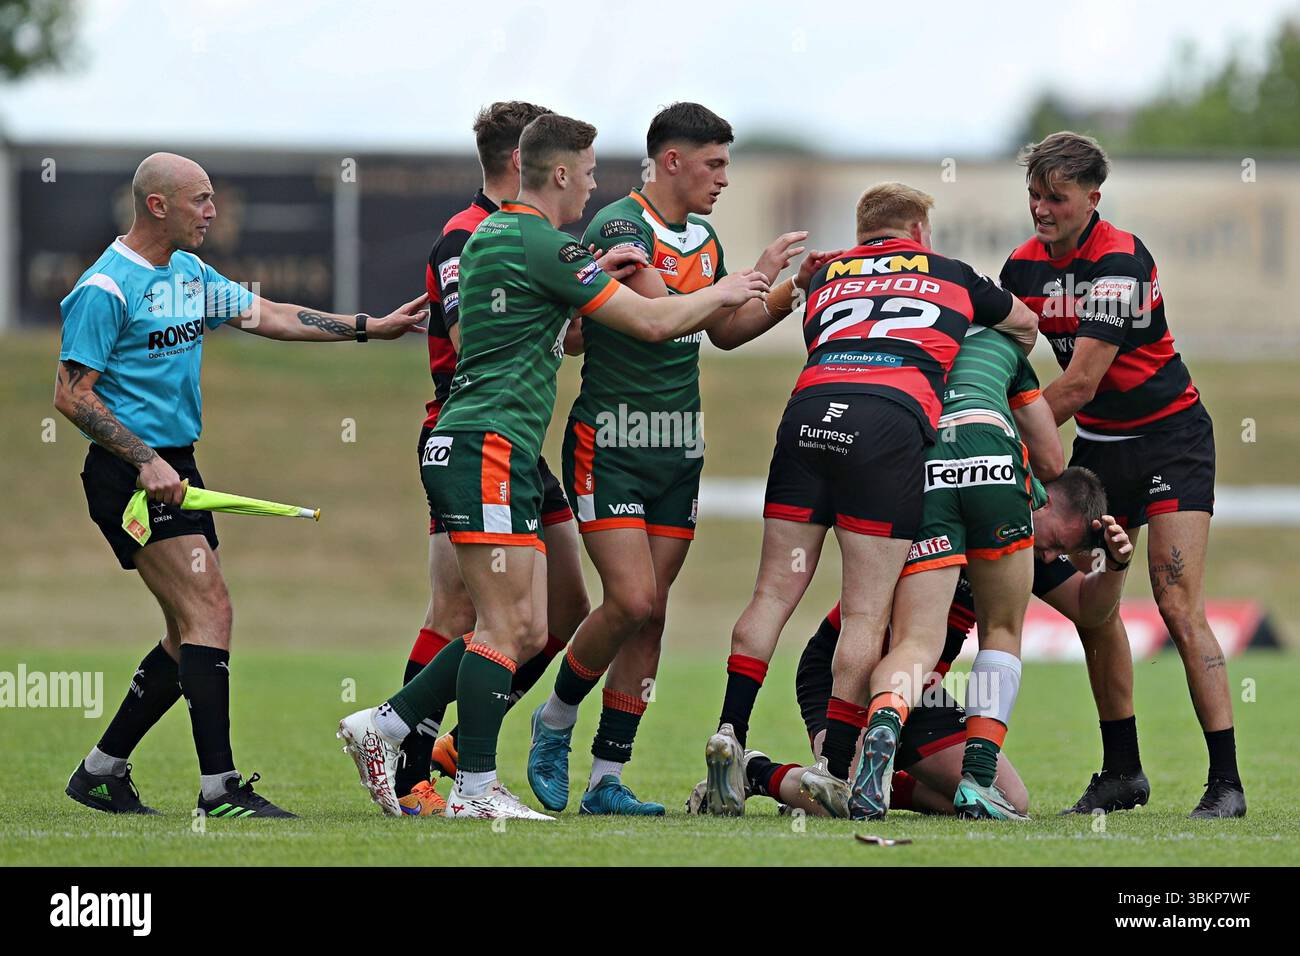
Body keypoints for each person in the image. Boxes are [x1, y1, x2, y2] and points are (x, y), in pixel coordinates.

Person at [337, 113, 769, 820]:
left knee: (530, 625)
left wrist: (587, 287)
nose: (596, 187)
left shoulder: (495, 234)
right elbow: (655, 324)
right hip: (487, 445)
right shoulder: (541, 240)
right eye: (591, 173)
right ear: (561, 173)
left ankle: (386, 725)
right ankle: (474, 787)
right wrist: (729, 289)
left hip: (488, 443)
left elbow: (547, 330)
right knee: (509, 627)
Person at [59, 152, 429, 818]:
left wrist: (371, 327)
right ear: (157, 206)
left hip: (177, 468)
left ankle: (102, 771)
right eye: (200, 200)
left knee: (186, 632)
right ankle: (219, 790)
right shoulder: (105, 289)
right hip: (130, 476)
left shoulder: (188, 272)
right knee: (211, 614)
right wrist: (143, 459)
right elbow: (71, 396)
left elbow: (273, 315)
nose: (212, 211)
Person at [703, 182, 1037, 815]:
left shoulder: (825, 274)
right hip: (887, 419)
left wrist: (796, 284)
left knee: (771, 594)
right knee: (864, 613)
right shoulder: (953, 273)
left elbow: (773, 333)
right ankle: (833, 766)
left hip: (808, 410)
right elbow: (1025, 323)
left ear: (863, 234)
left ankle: (729, 730)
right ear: (918, 232)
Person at [526, 102, 810, 816]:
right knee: (631, 599)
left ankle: (606, 780)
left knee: (651, 619)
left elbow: (726, 331)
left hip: (677, 451)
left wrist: (786, 291)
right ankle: (554, 720)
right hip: (612, 444)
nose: (723, 178)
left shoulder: (704, 238)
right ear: (672, 161)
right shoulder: (621, 226)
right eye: (713, 163)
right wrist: (730, 285)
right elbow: (657, 316)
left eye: (727, 164)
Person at [1000, 131, 1245, 819]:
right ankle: (1121, 772)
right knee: (1093, 606)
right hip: (1100, 449)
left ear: (1092, 198)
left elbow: (1077, 385)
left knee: (1176, 605)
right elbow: (996, 357)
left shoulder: (1120, 260)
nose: (1042, 210)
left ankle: (1225, 782)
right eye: (1034, 196)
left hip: (1171, 441)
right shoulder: (1020, 268)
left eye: (1057, 198)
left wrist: (994, 429)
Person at [391, 101, 592, 818]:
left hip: (521, 444)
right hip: (471, 431)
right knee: (461, 614)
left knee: (564, 614)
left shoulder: (530, 234)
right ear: (524, 161)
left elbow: (544, 331)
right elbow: (480, 340)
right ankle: (411, 766)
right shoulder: (470, 237)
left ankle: (449, 743)